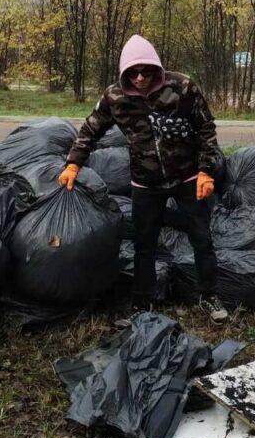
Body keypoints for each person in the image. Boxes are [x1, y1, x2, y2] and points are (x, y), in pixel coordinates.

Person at [58, 34, 228, 322]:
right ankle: (142, 302)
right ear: (125, 73)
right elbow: (90, 130)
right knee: (144, 243)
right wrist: (74, 164)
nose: (140, 78)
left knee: (201, 236)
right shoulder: (115, 97)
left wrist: (206, 171)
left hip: (187, 177)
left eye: (146, 71)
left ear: (156, 68)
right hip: (145, 183)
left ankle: (209, 295)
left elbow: (205, 128)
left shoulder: (182, 87)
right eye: (133, 73)